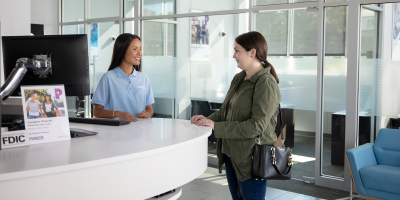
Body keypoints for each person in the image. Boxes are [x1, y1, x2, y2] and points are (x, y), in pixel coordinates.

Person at [191, 31, 281, 200]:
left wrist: (216, 127)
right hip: (231, 154)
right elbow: (226, 111)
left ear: (252, 52)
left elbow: (256, 126)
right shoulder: (239, 78)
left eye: (237, 50)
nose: (233, 55)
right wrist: (207, 120)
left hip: (251, 159)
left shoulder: (265, 83)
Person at [92, 33, 154, 121]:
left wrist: (147, 113)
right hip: (116, 131)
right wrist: (117, 113)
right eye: (134, 49)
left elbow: (149, 108)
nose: (139, 53)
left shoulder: (144, 78)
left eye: (140, 49)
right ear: (122, 50)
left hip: (140, 131)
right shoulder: (108, 78)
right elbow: (97, 112)